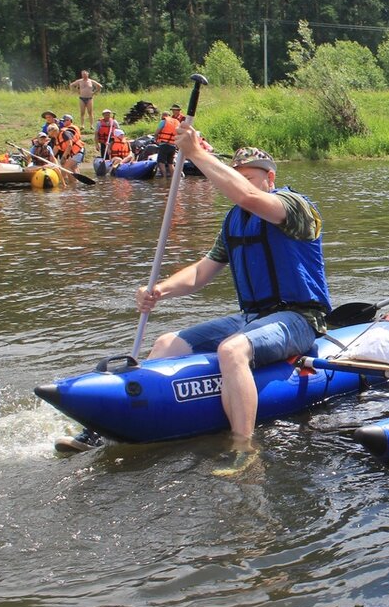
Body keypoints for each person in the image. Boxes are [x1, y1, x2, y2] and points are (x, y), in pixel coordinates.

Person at [59, 128, 334, 474]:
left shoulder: (295, 208)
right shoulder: (234, 221)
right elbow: (201, 273)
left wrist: (196, 153)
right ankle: (115, 424)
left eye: (249, 177)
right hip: (253, 317)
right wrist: (159, 290)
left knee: (231, 350)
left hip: (299, 318)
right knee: (166, 343)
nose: (241, 184)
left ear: (270, 178)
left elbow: (247, 195)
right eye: (236, 176)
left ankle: (244, 448)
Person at [56, 114, 85, 184]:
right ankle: (75, 184)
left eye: (65, 120)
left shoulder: (66, 132)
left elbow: (69, 145)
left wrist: (63, 157)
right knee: (73, 167)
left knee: (65, 167)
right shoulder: (65, 130)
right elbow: (56, 148)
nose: (63, 122)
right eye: (63, 121)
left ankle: (60, 182)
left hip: (78, 152)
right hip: (76, 152)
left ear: (70, 121)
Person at [153, 110, 178, 177]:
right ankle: (174, 178)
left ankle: (164, 178)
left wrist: (156, 139)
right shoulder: (176, 122)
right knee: (170, 163)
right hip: (173, 145)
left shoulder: (163, 121)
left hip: (164, 145)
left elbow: (156, 133)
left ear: (163, 116)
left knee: (161, 162)